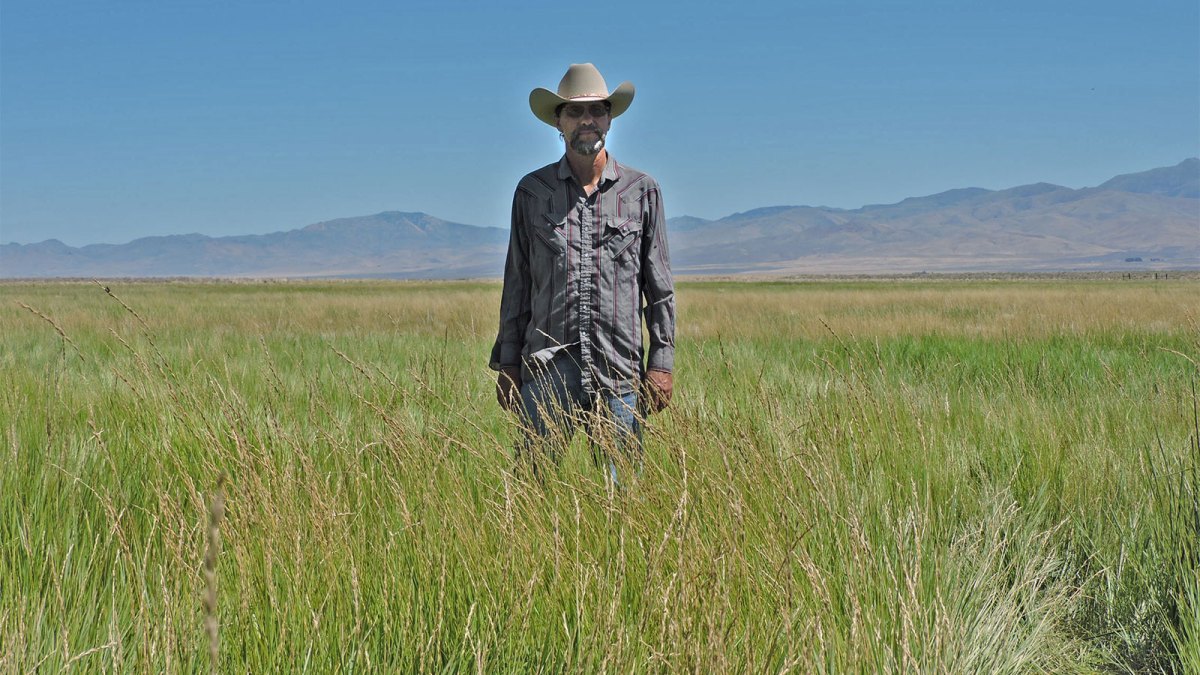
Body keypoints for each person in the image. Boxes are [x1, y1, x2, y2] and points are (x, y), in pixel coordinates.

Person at [489, 63, 676, 481]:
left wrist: (661, 363)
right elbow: (517, 282)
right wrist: (508, 364)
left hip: (620, 369)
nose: (587, 120)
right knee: (532, 486)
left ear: (610, 117)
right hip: (547, 366)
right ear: (558, 121)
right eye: (575, 112)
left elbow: (659, 288)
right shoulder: (532, 193)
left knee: (622, 494)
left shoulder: (642, 191)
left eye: (597, 110)